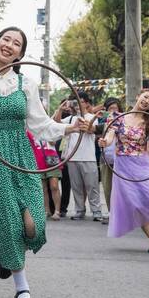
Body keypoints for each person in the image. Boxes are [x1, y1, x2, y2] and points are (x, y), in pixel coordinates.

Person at [0, 26, 89, 298]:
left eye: (16, 43)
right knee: (7, 218)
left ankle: (9, 256)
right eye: (6, 39)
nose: (10, 45)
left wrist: (71, 128)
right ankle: (22, 287)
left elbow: (40, 125)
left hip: (22, 154)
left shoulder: (26, 85)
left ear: (21, 53)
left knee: (34, 223)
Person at [103, 88, 149, 252]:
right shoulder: (117, 117)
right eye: (146, 97)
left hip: (142, 164)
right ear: (138, 96)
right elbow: (109, 136)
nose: (147, 101)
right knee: (136, 204)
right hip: (123, 165)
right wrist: (104, 142)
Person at [55, 92, 103, 221]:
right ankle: (79, 210)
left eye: (80, 101)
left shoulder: (92, 117)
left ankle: (96, 211)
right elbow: (56, 122)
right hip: (72, 157)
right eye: (75, 102)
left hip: (88, 157)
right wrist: (60, 109)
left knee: (92, 186)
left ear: (86, 103)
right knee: (76, 187)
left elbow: (90, 129)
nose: (77, 104)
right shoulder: (70, 118)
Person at [97, 98, 122, 223]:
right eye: (110, 109)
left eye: (115, 108)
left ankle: (122, 214)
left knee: (121, 188)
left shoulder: (125, 122)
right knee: (107, 188)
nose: (113, 111)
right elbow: (89, 129)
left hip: (122, 161)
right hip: (106, 160)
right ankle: (112, 213)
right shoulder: (104, 124)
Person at [29, 130, 61, 221]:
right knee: (43, 188)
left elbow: (53, 142)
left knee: (54, 186)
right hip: (38, 160)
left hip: (52, 160)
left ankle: (57, 211)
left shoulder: (48, 128)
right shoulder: (30, 130)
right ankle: (46, 210)